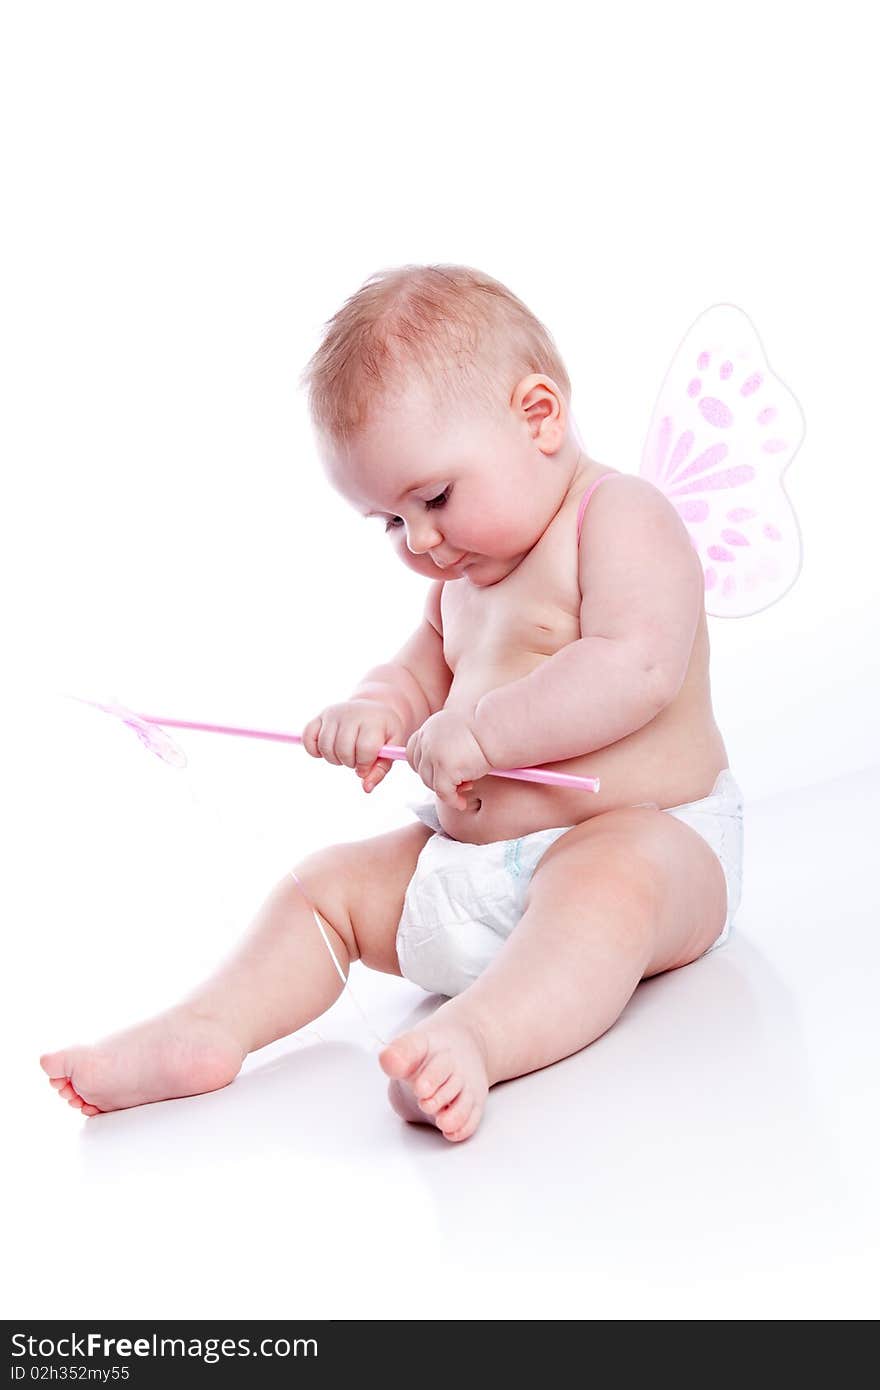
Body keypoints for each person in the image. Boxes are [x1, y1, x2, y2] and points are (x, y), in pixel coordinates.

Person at [40, 264, 743, 1142]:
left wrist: (484, 731)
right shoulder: (463, 576)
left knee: (605, 889)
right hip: (472, 867)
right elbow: (423, 670)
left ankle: (479, 1037)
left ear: (539, 417)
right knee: (324, 887)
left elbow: (635, 667)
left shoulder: (619, 516)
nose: (421, 541)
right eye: (390, 522)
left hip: (652, 839)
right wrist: (376, 709)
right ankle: (208, 1026)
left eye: (435, 498)